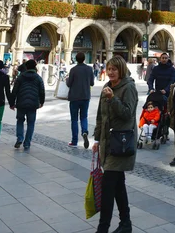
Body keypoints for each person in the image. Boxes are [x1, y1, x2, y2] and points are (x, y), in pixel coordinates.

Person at [93, 56, 138, 233]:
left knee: (108, 186)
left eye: (114, 69)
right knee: (118, 184)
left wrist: (113, 99)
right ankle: (126, 223)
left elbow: (128, 114)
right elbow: (100, 116)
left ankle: (102, 228)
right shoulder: (106, 87)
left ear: (121, 70)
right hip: (107, 142)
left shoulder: (129, 88)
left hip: (121, 144)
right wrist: (97, 139)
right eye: (108, 69)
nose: (110, 72)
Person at [10, 59, 45, 150]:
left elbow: (14, 91)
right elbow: (42, 91)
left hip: (21, 103)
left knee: (20, 120)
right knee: (31, 123)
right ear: (35, 67)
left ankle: (20, 138)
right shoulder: (38, 78)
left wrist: (12, 103)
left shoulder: (20, 77)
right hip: (33, 104)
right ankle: (27, 143)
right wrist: (41, 102)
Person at [66, 51, 94, 148]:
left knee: (74, 119)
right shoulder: (89, 69)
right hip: (85, 96)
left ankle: (74, 141)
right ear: (84, 59)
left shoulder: (73, 70)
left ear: (76, 59)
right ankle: (85, 131)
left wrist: (66, 79)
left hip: (74, 97)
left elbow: (69, 84)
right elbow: (92, 83)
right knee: (84, 117)